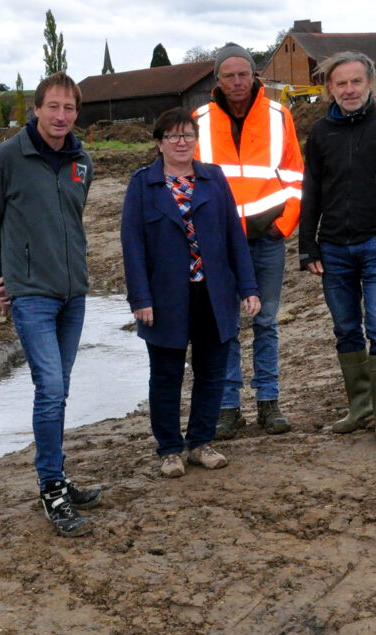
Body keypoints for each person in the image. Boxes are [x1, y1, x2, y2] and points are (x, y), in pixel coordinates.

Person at [0, 72, 103, 537]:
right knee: (49, 387)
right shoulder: (7, 158)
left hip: (74, 294)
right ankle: (51, 487)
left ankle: (58, 476)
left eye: (70, 109)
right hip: (31, 295)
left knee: (60, 389)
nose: (61, 117)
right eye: (53, 107)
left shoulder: (82, 161)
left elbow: (72, 217)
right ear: (36, 108)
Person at [121, 108, 260, 478]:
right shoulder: (142, 185)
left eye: (188, 135)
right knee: (165, 375)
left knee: (212, 371)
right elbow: (132, 246)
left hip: (213, 294)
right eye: (172, 136)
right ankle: (169, 449)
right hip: (165, 297)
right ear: (159, 143)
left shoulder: (213, 179)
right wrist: (141, 299)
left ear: (196, 140)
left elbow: (234, 235)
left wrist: (248, 287)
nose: (181, 142)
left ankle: (201, 443)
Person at [299, 52, 376, 441]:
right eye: (341, 83)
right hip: (333, 249)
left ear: (370, 84)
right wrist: (308, 247)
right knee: (346, 329)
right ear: (330, 89)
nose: (349, 90)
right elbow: (311, 192)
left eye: (356, 82)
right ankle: (360, 408)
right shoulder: (320, 133)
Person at [193, 43, 303, 438]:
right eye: (229, 75)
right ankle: (228, 408)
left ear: (255, 76)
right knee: (225, 325)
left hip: (266, 238)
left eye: (243, 74)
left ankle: (268, 403)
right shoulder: (199, 120)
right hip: (217, 243)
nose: (237, 82)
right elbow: (187, 180)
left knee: (266, 321)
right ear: (217, 80)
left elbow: (294, 176)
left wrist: (284, 224)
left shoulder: (279, 115)